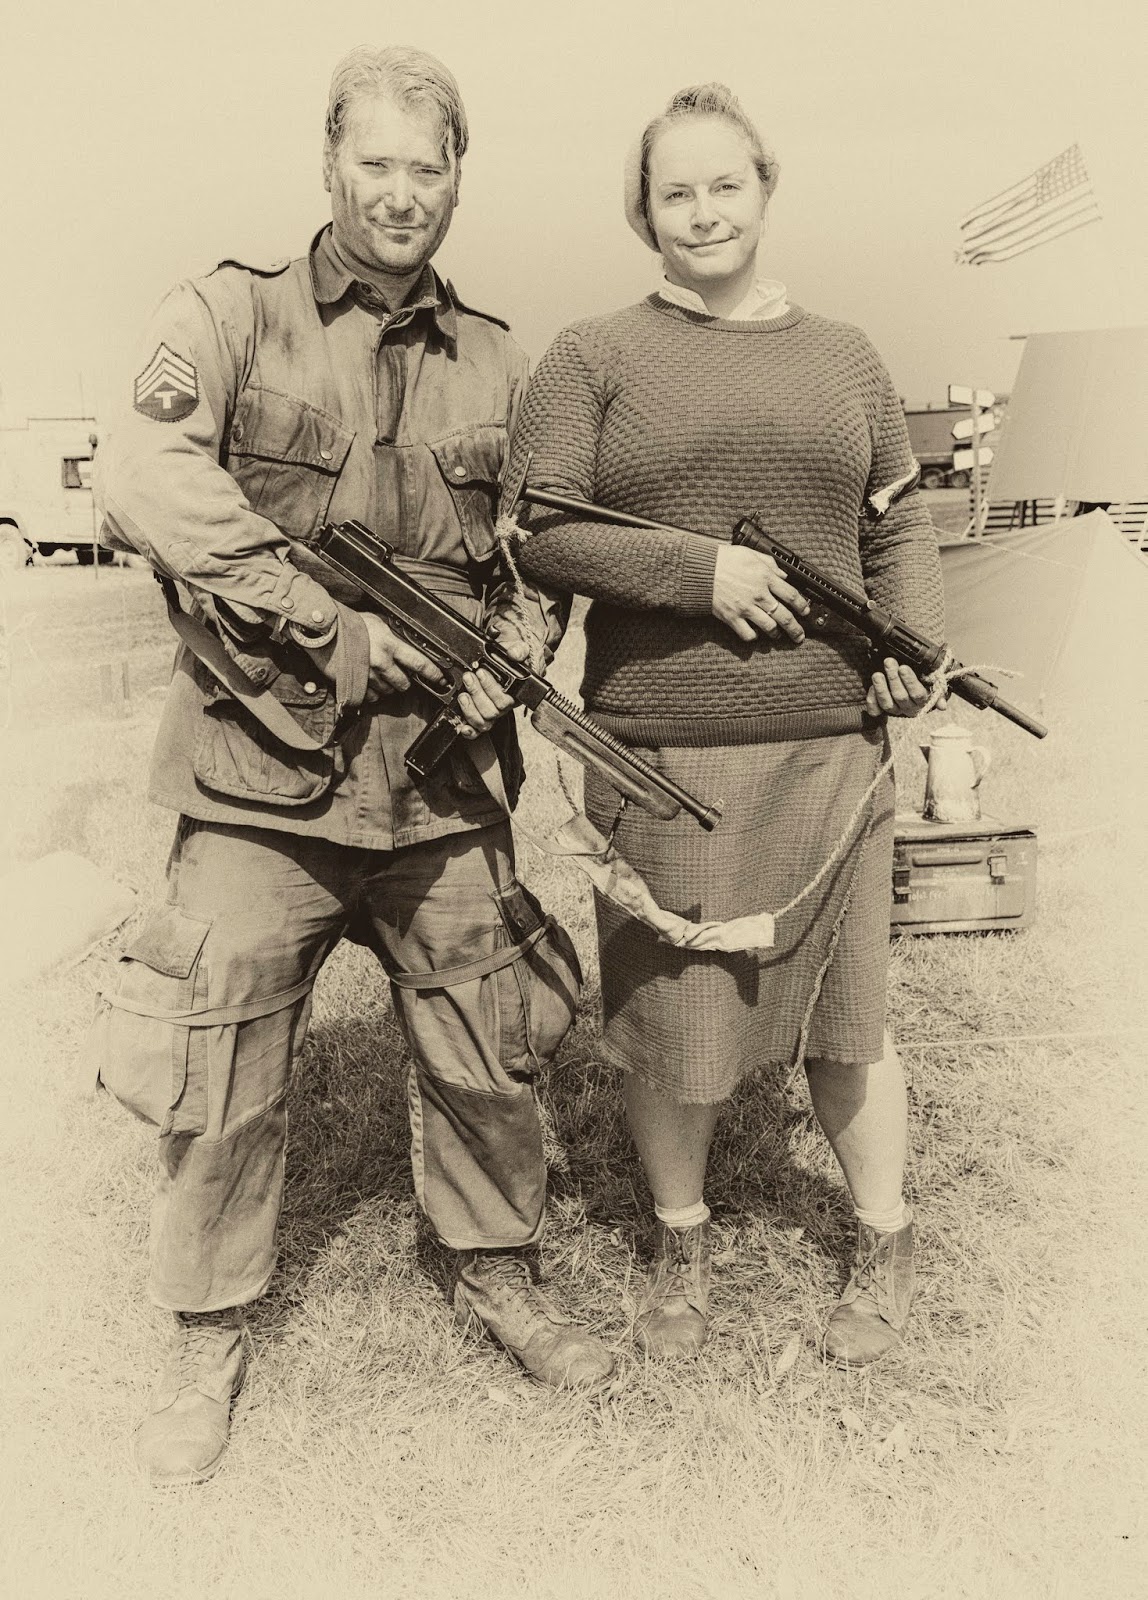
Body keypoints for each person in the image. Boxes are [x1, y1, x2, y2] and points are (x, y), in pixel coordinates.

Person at [92, 44, 613, 1488]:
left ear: (457, 179)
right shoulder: (230, 315)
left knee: (490, 1038)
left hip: (439, 785)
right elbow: (141, 478)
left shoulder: (501, 360)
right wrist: (322, 620)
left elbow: (538, 555)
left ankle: (497, 1270)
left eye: (424, 168)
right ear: (329, 164)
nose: (399, 193)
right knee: (222, 1057)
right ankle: (209, 1334)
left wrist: (510, 648)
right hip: (257, 777)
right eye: (373, 163)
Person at [509, 84, 943, 1365]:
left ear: (764, 188)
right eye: (674, 192)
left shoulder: (848, 356)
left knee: (848, 1020)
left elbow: (896, 524)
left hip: (831, 748)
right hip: (661, 753)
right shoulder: (591, 356)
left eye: (724, 185)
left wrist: (907, 654)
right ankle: (680, 1242)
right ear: (641, 211)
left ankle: (882, 1238)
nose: (702, 212)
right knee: (675, 1028)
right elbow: (541, 527)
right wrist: (696, 573)